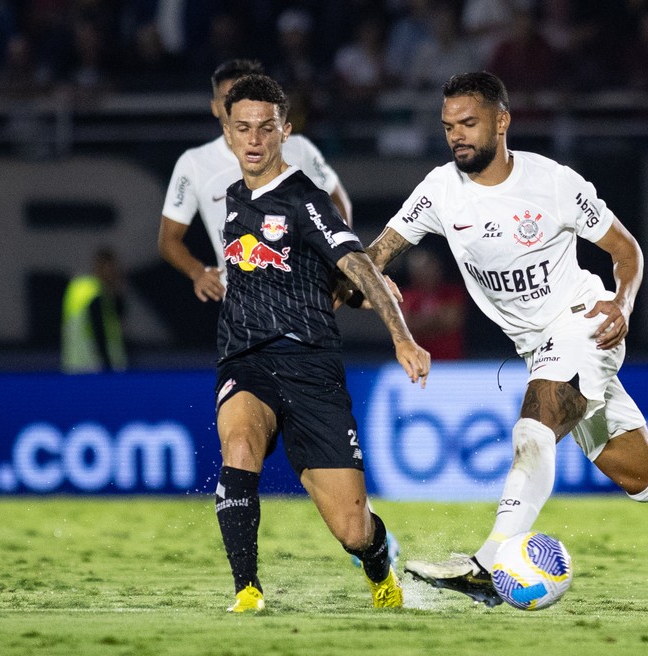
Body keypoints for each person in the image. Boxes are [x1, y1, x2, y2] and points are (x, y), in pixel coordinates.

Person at [364, 72, 648, 607]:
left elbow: (626, 250)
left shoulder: (553, 183)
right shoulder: (440, 189)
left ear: (502, 121)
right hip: (537, 347)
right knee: (644, 477)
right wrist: (366, 279)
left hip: (584, 322)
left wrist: (623, 303)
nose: (456, 136)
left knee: (534, 429)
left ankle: (488, 564)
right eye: (448, 127)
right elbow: (374, 256)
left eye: (468, 123)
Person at [213, 73, 430, 612]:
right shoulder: (234, 197)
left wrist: (401, 337)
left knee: (354, 531)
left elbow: (357, 264)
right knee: (239, 446)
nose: (254, 139)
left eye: (266, 128)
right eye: (244, 128)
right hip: (247, 360)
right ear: (228, 132)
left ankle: (379, 568)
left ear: (285, 131)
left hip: (312, 369)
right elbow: (297, 275)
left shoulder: (305, 200)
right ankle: (247, 590)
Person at [158, 58, 352, 304]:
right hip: (242, 306)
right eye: (227, 98)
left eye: (245, 96)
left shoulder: (298, 149)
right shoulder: (194, 163)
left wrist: (338, 262)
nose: (238, 106)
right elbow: (168, 239)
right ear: (215, 107)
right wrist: (198, 272)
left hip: (303, 297)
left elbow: (337, 201)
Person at [61, 247, 127, 373]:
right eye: (112, 268)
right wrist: (108, 366)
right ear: (101, 267)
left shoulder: (79, 288)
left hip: (74, 366)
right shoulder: (95, 294)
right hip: (94, 368)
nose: (115, 274)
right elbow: (99, 331)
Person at [400, 247, 467, 360]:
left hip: (450, 360)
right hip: (419, 361)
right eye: (419, 270)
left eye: (427, 267)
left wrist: (420, 322)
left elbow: (451, 322)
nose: (424, 273)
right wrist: (437, 319)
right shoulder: (406, 296)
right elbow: (404, 328)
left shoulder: (452, 293)